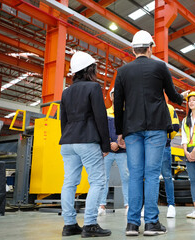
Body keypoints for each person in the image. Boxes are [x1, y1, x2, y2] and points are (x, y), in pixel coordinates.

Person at [114, 30, 189, 236]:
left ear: (133, 49)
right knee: (152, 175)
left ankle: (131, 224)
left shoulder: (123, 72)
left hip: (132, 129)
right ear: (149, 48)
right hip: (156, 127)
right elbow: (172, 95)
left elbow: (117, 103)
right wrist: (183, 98)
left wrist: (120, 132)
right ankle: (151, 223)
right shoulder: (159, 66)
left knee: (136, 175)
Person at [59, 51, 111, 238]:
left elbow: (62, 121)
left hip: (67, 142)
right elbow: (100, 117)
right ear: (90, 69)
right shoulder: (93, 87)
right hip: (87, 140)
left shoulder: (66, 92)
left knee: (69, 183)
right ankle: (90, 224)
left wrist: (67, 136)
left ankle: (69, 225)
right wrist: (106, 144)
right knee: (97, 181)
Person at [98, 88, 129, 216]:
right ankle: (101, 206)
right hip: (108, 152)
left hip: (122, 151)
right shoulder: (105, 113)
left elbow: (129, 131)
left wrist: (118, 143)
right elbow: (102, 131)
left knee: (126, 177)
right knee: (103, 178)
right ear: (110, 97)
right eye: (114, 95)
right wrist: (107, 145)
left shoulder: (127, 114)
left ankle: (128, 205)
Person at [161, 104, 180, 218]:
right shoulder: (145, 104)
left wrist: (167, 139)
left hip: (164, 146)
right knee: (149, 176)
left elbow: (176, 126)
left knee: (167, 176)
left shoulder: (169, 107)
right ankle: (148, 205)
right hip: (149, 146)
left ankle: (171, 205)